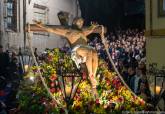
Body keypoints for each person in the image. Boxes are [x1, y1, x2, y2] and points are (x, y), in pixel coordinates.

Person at [31, 18, 105, 98]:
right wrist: (41, 25)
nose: (81, 23)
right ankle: (90, 74)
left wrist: (93, 26)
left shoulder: (83, 32)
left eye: (82, 22)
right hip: (77, 50)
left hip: (85, 50)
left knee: (94, 52)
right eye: (79, 21)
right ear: (74, 22)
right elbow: (53, 29)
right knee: (89, 51)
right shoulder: (68, 31)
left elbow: (90, 29)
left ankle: (93, 77)